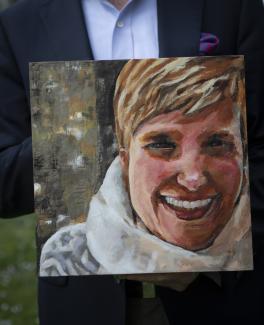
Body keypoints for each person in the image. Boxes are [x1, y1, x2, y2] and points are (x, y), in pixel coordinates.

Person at [0, 0, 263, 324]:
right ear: (123, 155)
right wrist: (67, 138)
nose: (192, 176)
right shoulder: (19, 23)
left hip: (223, 303)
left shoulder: (232, 8)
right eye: (162, 145)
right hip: (85, 307)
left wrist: (221, 254)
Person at [40, 56, 252, 278]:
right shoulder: (71, 256)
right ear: (125, 160)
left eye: (217, 143)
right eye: (162, 145)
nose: (193, 178)